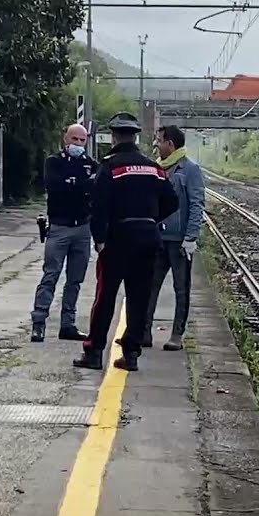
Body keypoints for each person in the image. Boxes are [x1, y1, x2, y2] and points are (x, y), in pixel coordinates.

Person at [75, 112, 179, 372]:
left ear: (114, 137)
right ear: (135, 137)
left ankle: (94, 352)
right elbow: (172, 201)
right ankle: (131, 355)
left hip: (117, 241)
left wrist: (99, 239)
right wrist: (149, 219)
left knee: (105, 298)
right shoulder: (154, 168)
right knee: (139, 299)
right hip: (148, 241)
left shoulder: (110, 166)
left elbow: (98, 206)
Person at [30, 124, 98, 343]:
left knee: (75, 279)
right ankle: (38, 322)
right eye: (74, 139)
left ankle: (68, 325)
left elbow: (94, 189)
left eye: (82, 140)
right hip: (59, 227)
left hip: (82, 228)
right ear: (65, 139)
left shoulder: (91, 164)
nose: (78, 144)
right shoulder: (54, 162)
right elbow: (55, 186)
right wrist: (81, 186)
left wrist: (74, 185)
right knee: (50, 275)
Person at [140, 125, 205, 351]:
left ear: (171, 144)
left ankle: (177, 335)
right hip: (157, 238)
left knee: (181, 289)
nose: (156, 145)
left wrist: (191, 237)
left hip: (179, 241)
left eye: (159, 141)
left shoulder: (190, 169)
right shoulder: (156, 168)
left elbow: (196, 204)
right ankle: (144, 332)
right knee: (149, 287)